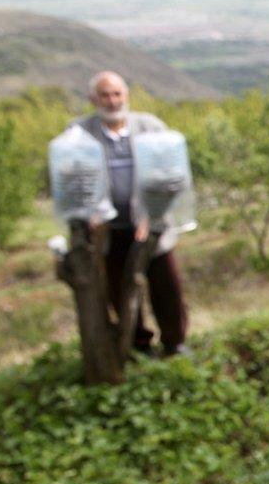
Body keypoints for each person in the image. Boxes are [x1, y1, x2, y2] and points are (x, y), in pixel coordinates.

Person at [74, 71, 189, 356]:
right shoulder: (80, 132)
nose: (112, 101)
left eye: (117, 94)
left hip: (151, 228)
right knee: (119, 289)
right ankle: (138, 344)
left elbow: (171, 177)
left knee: (166, 286)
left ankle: (175, 344)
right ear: (93, 99)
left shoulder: (150, 127)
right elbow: (74, 181)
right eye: (105, 95)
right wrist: (89, 215)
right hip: (108, 232)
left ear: (126, 96)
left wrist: (150, 215)